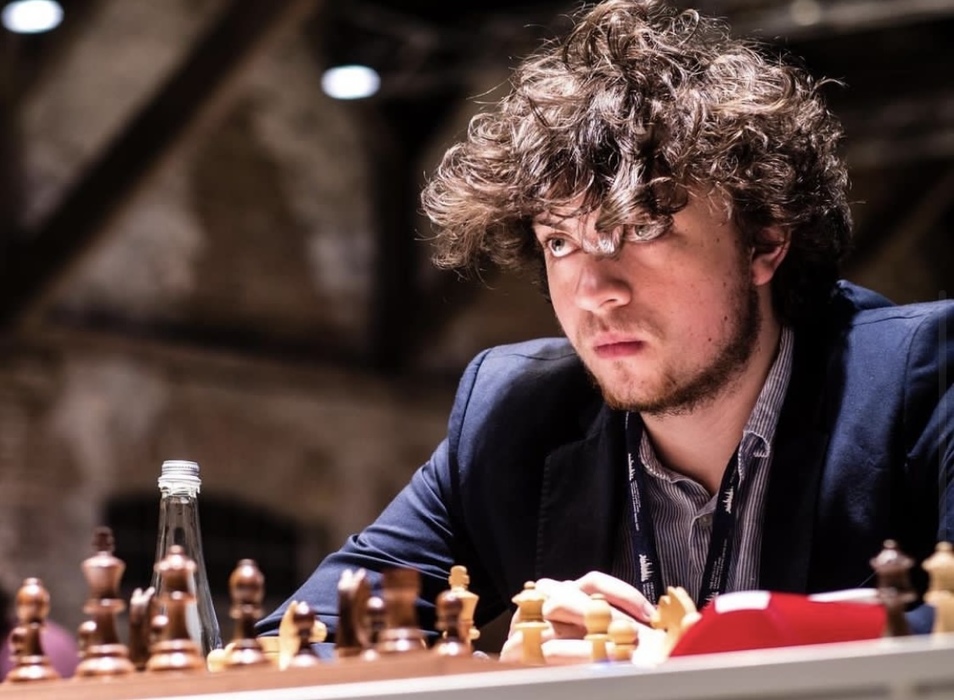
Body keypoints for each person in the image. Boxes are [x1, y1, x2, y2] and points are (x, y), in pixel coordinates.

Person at [257, 0, 953, 661]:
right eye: (560, 243)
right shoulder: (514, 416)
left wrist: (678, 664)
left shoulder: (927, 380)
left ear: (766, 242)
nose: (595, 291)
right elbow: (296, 643)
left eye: (643, 228)